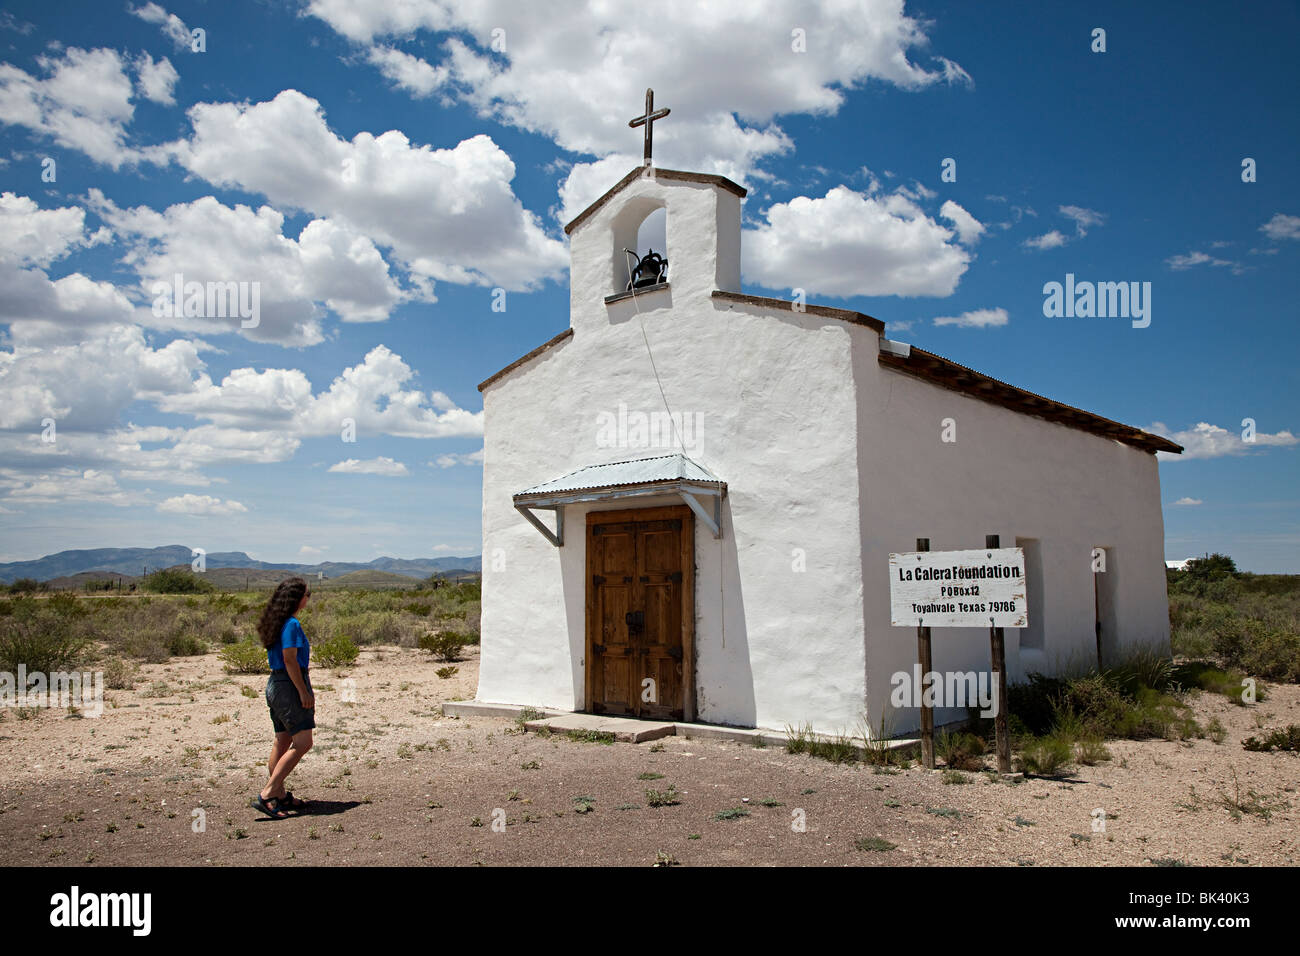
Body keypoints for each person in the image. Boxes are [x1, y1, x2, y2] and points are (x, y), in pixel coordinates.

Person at [250, 576, 314, 819]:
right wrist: (303, 691)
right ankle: (267, 794)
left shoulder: (277, 623)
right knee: (303, 742)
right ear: (297, 598)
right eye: (308, 594)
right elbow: (290, 659)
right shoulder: (292, 625)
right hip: (289, 684)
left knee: (283, 740)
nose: (309, 598)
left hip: (275, 684)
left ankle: (279, 793)